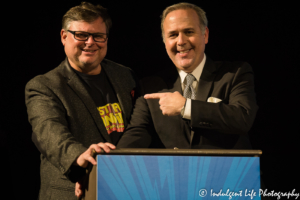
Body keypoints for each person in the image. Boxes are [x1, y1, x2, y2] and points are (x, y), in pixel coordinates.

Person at [25, 2, 138, 199]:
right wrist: (80, 155)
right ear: (63, 37)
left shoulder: (124, 75)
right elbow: (48, 132)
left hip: (124, 189)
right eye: (81, 35)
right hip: (74, 193)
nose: (90, 42)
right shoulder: (44, 86)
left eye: (98, 36)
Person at [117, 2, 258, 149]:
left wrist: (186, 106)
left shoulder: (235, 73)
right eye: (173, 35)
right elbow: (136, 136)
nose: (181, 41)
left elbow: (242, 118)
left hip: (227, 171)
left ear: (205, 35)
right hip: (174, 172)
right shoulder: (151, 86)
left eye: (189, 32)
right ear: (165, 42)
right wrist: (104, 157)